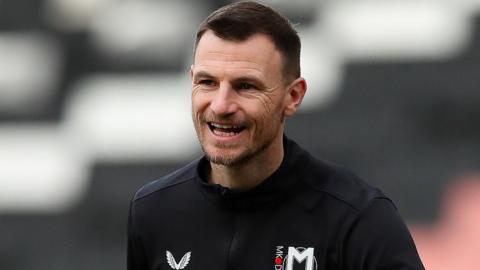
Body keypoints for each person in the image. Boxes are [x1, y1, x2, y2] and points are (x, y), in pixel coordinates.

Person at [127, 1, 425, 269]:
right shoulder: (153, 211)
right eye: (207, 82)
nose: (221, 105)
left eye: (246, 86)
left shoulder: (357, 218)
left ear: (293, 96)